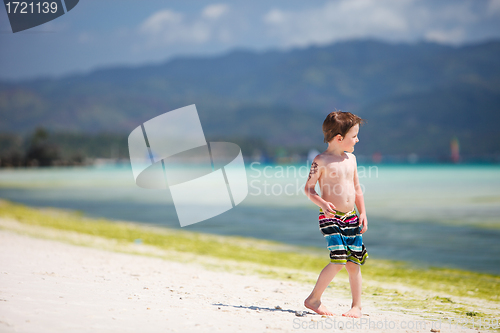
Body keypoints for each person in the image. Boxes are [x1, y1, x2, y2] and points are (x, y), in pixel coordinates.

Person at [303, 111, 368, 318]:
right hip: (330, 217)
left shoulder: (352, 159)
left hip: (351, 217)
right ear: (339, 138)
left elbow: (357, 188)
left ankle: (356, 306)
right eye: (354, 136)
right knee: (339, 259)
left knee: (353, 262)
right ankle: (313, 299)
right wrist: (322, 203)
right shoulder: (320, 160)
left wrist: (363, 212)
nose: (357, 140)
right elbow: (309, 189)